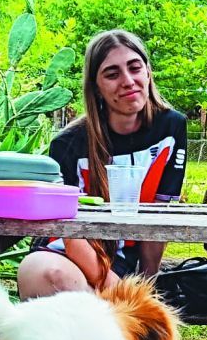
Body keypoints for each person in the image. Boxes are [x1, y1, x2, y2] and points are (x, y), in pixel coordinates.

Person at [18, 30, 187, 298]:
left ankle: (109, 324)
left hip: (124, 264)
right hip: (69, 257)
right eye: (112, 74)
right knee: (42, 273)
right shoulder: (69, 144)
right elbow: (69, 232)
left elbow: (158, 216)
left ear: (148, 72)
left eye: (135, 68)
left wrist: (147, 290)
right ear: (96, 86)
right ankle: (110, 322)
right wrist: (116, 291)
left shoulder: (172, 128)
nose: (128, 81)